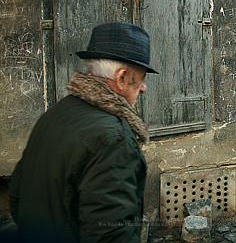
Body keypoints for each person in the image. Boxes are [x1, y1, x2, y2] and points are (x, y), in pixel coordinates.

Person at [9, 22, 158, 243]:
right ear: (122, 78)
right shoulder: (114, 139)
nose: (143, 87)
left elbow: (17, 197)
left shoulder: (58, 113)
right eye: (142, 77)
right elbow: (111, 236)